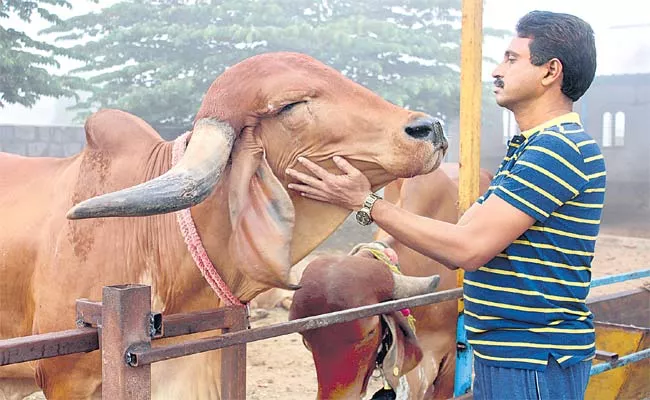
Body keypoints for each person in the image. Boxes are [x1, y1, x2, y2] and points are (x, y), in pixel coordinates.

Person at [286, 10, 605, 400]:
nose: (496, 71)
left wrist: (362, 200)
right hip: (510, 354)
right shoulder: (529, 150)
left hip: (532, 359)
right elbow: (460, 239)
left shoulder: (557, 149)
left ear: (550, 71)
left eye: (511, 59)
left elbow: (467, 249)